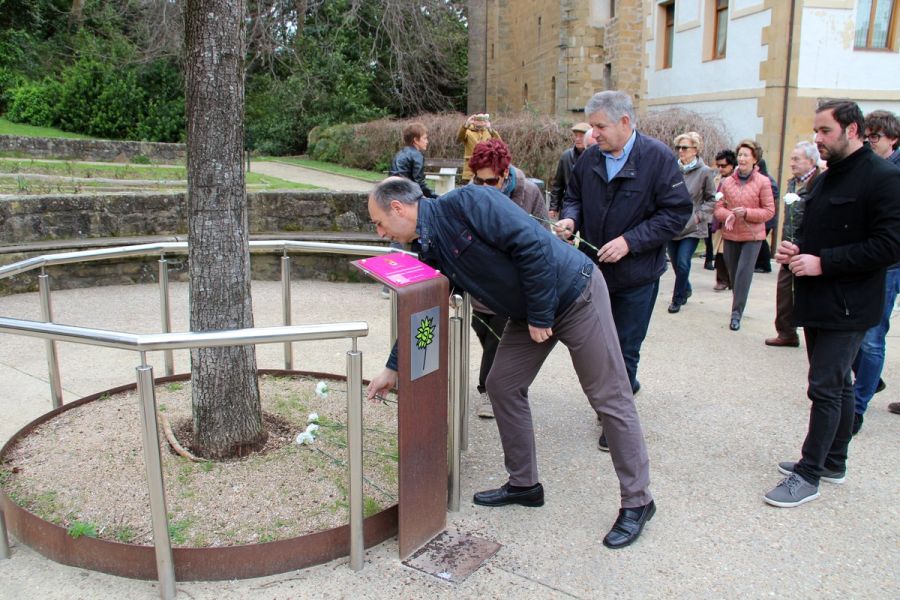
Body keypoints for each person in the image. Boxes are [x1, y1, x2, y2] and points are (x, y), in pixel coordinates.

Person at [366, 177, 656, 549]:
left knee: (609, 396)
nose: (380, 233)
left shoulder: (471, 201)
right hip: (532, 311)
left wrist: (540, 313)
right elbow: (425, 311)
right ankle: (524, 484)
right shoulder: (431, 246)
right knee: (501, 385)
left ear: (398, 208)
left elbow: (532, 244)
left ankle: (638, 501)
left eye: (379, 222)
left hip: (575, 294)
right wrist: (393, 367)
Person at [765, 99, 900, 508]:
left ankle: (809, 473)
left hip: (851, 304)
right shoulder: (827, 176)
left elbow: (889, 246)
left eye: (825, 131)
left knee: (824, 386)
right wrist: (795, 250)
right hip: (818, 299)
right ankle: (834, 461)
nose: (818, 138)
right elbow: (819, 229)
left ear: (852, 130)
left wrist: (824, 262)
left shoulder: (883, 177)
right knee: (839, 384)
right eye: (816, 131)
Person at [557, 90, 691, 450]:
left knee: (625, 346)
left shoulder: (658, 158)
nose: (594, 133)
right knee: (599, 344)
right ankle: (619, 392)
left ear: (625, 122)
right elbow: (573, 197)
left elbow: (676, 213)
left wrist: (630, 241)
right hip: (594, 272)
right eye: (592, 126)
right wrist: (570, 219)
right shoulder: (589, 158)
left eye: (600, 126)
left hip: (637, 275)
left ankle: (615, 420)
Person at [466, 139, 549, 418]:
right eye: (479, 181)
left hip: (512, 284)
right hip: (480, 284)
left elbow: (542, 238)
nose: (485, 187)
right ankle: (504, 382)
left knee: (497, 340)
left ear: (505, 173)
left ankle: (488, 392)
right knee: (484, 331)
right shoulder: (471, 191)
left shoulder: (529, 193)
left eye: (491, 181)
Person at [850, 109, 900, 433]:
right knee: (868, 333)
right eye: (866, 137)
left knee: (871, 336)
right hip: (882, 261)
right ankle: (862, 398)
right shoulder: (870, 167)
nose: (870, 142)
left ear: (893, 139)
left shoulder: (890, 173)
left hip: (891, 261)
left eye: (876, 137)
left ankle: (856, 408)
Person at [713, 139, 775, 331]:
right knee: (734, 275)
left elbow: (769, 211)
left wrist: (747, 213)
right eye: (740, 155)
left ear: (755, 159)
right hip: (731, 234)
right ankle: (738, 303)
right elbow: (718, 207)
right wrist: (728, 215)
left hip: (752, 236)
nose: (742, 158)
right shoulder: (727, 182)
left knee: (743, 274)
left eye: (746, 155)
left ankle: (736, 314)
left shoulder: (763, 182)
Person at [764, 141, 821, 348]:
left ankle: (815, 335)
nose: (792, 163)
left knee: (809, 294)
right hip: (789, 246)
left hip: (809, 249)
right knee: (784, 291)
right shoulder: (792, 183)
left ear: (811, 161)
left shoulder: (819, 183)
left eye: (796, 159)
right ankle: (786, 332)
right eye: (791, 158)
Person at [666, 131, 716, 313]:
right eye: (678, 147)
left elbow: (711, 199)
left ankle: (677, 299)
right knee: (675, 263)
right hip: (673, 224)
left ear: (695, 150)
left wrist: (698, 216)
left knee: (683, 262)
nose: (681, 151)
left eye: (685, 147)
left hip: (692, 227)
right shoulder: (672, 169)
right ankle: (686, 288)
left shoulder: (705, 172)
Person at [549, 122, 592, 219]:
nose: (577, 139)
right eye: (576, 136)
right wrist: (553, 207)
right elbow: (558, 185)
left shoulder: (596, 156)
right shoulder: (566, 156)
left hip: (588, 208)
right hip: (569, 207)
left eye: (581, 136)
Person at [389, 122, 438, 199]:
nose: (427, 141)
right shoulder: (416, 155)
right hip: (405, 193)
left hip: (392, 190)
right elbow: (419, 182)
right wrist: (436, 197)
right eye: (425, 138)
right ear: (416, 140)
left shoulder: (400, 152)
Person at [712, 150, 736, 291]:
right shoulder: (717, 179)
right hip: (718, 219)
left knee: (728, 252)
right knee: (719, 252)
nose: (721, 169)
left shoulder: (737, 179)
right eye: (719, 166)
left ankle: (729, 279)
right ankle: (722, 279)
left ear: (731, 165)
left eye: (724, 166)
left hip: (732, 219)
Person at [752, 159, 780, 274]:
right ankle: (760, 264)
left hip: (767, 218)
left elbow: (773, 195)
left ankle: (765, 265)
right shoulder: (759, 179)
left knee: (761, 240)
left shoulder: (767, 180)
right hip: (762, 217)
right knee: (759, 240)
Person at [457, 113, 501, 182]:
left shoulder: (489, 132)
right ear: (474, 121)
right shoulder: (468, 131)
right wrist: (466, 125)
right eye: (478, 120)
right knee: (470, 188)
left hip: (485, 167)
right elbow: (459, 139)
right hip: (470, 168)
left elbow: (499, 143)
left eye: (483, 120)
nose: (481, 122)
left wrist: (490, 129)